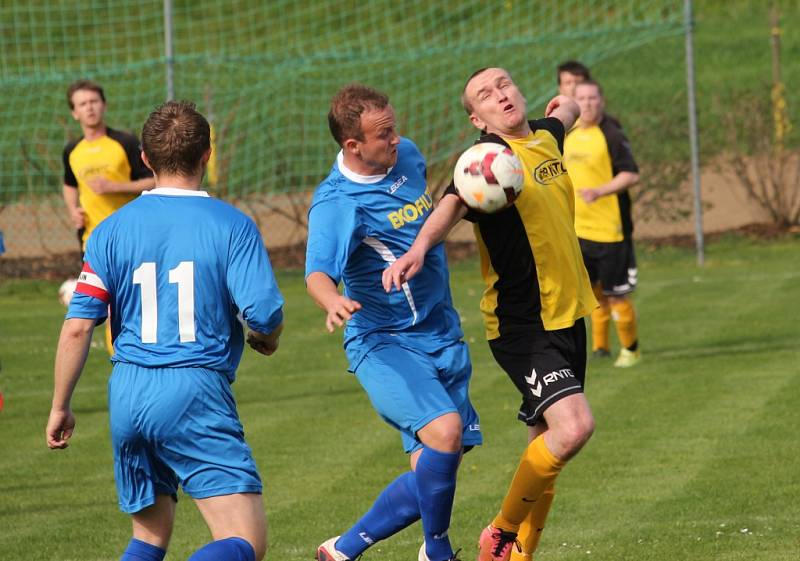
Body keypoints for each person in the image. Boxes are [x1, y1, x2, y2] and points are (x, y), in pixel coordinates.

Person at [45, 100, 284, 561]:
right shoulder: (232, 225)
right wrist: (267, 338)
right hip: (193, 388)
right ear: (207, 156)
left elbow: (78, 327)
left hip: (128, 391)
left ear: (147, 160)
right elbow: (265, 312)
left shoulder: (110, 230)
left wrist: (60, 406)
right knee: (245, 542)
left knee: (149, 536)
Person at [383, 67, 597, 561]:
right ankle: (500, 532)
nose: (499, 95)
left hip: (568, 316)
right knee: (574, 428)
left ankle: (517, 555)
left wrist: (567, 105)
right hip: (523, 324)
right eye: (485, 94)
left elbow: (566, 112)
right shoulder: (484, 161)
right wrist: (418, 248)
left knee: (545, 448)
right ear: (477, 118)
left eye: (504, 85)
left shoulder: (545, 137)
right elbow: (452, 204)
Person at [306, 84, 482, 561]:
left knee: (436, 464)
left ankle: (341, 551)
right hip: (383, 340)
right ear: (352, 146)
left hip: (440, 330)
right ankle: (437, 551)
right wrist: (332, 302)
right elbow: (316, 272)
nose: (396, 138)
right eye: (383, 134)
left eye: (395, 126)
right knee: (445, 433)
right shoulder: (337, 203)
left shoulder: (407, 156)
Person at [62, 79, 156, 354]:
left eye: (93, 101)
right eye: (82, 104)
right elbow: (69, 184)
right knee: (101, 307)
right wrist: (72, 210)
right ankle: (120, 357)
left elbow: (153, 180)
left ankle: (133, 353)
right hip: (92, 239)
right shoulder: (72, 150)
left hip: (131, 237)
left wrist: (116, 187)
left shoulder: (124, 142)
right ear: (74, 112)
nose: (89, 108)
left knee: (131, 302)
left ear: (104, 105)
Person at [565, 80, 642, 367]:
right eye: (581, 98)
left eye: (592, 98)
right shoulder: (568, 134)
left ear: (602, 101)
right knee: (593, 293)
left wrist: (600, 190)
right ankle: (600, 347)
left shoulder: (610, 133)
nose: (587, 103)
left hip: (611, 231)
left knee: (616, 294)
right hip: (578, 230)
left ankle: (631, 349)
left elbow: (631, 174)